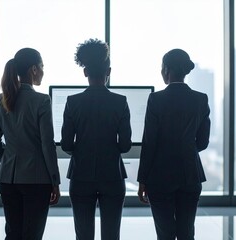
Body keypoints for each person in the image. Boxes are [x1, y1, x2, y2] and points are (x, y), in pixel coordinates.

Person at [61, 38, 132, 240]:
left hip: (81, 176)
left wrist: (82, 150)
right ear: (109, 72)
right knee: (111, 234)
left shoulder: (72, 102)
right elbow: (125, 145)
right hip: (113, 176)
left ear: (85, 72)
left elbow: (66, 144)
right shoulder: (120, 102)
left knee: (83, 235)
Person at [0, 48, 61, 240]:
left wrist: (9, 159)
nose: (43, 71)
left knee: (13, 234)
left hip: (7, 179)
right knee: (32, 235)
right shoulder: (42, 100)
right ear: (33, 70)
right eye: (42, 66)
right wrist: (55, 181)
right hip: (36, 181)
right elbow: (47, 144)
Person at [137, 49, 210, 240]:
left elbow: (149, 142)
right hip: (190, 174)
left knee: (165, 233)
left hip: (159, 176)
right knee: (186, 232)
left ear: (166, 70)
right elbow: (203, 142)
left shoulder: (156, 99)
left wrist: (142, 179)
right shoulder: (201, 99)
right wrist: (186, 150)